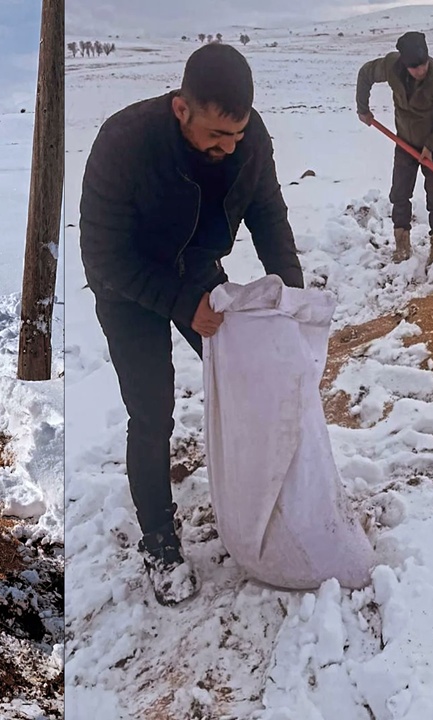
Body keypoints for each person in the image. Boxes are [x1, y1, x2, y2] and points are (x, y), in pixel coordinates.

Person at [79, 44, 304, 606]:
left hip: (197, 270)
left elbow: (269, 216)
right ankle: (158, 540)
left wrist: (293, 298)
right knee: (152, 412)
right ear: (182, 109)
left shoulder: (248, 142)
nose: (228, 149)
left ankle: (259, 497)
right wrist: (181, 301)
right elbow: (103, 255)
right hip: (128, 288)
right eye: (215, 137)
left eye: (237, 135)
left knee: (252, 381)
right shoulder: (123, 141)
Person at [356, 31, 433, 268]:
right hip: (404, 142)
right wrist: (362, 108)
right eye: (414, 68)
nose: (420, 71)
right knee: (400, 193)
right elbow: (365, 73)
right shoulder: (392, 66)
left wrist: (430, 145)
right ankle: (402, 243)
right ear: (404, 63)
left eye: (423, 65)